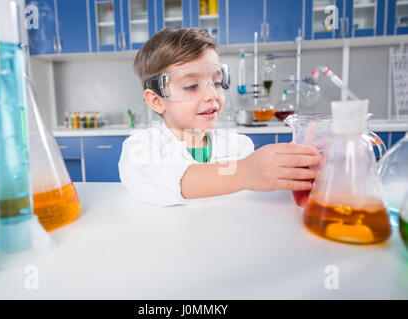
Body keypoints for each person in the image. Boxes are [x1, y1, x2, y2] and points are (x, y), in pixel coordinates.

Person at [119, 28, 320, 206]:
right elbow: (160, 180)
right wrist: (245, 172)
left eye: (217, 82)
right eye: (190, 86)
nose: (212, 95)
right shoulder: (141, 147)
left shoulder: (239, 146)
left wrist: (300, 169)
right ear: (156, 100)